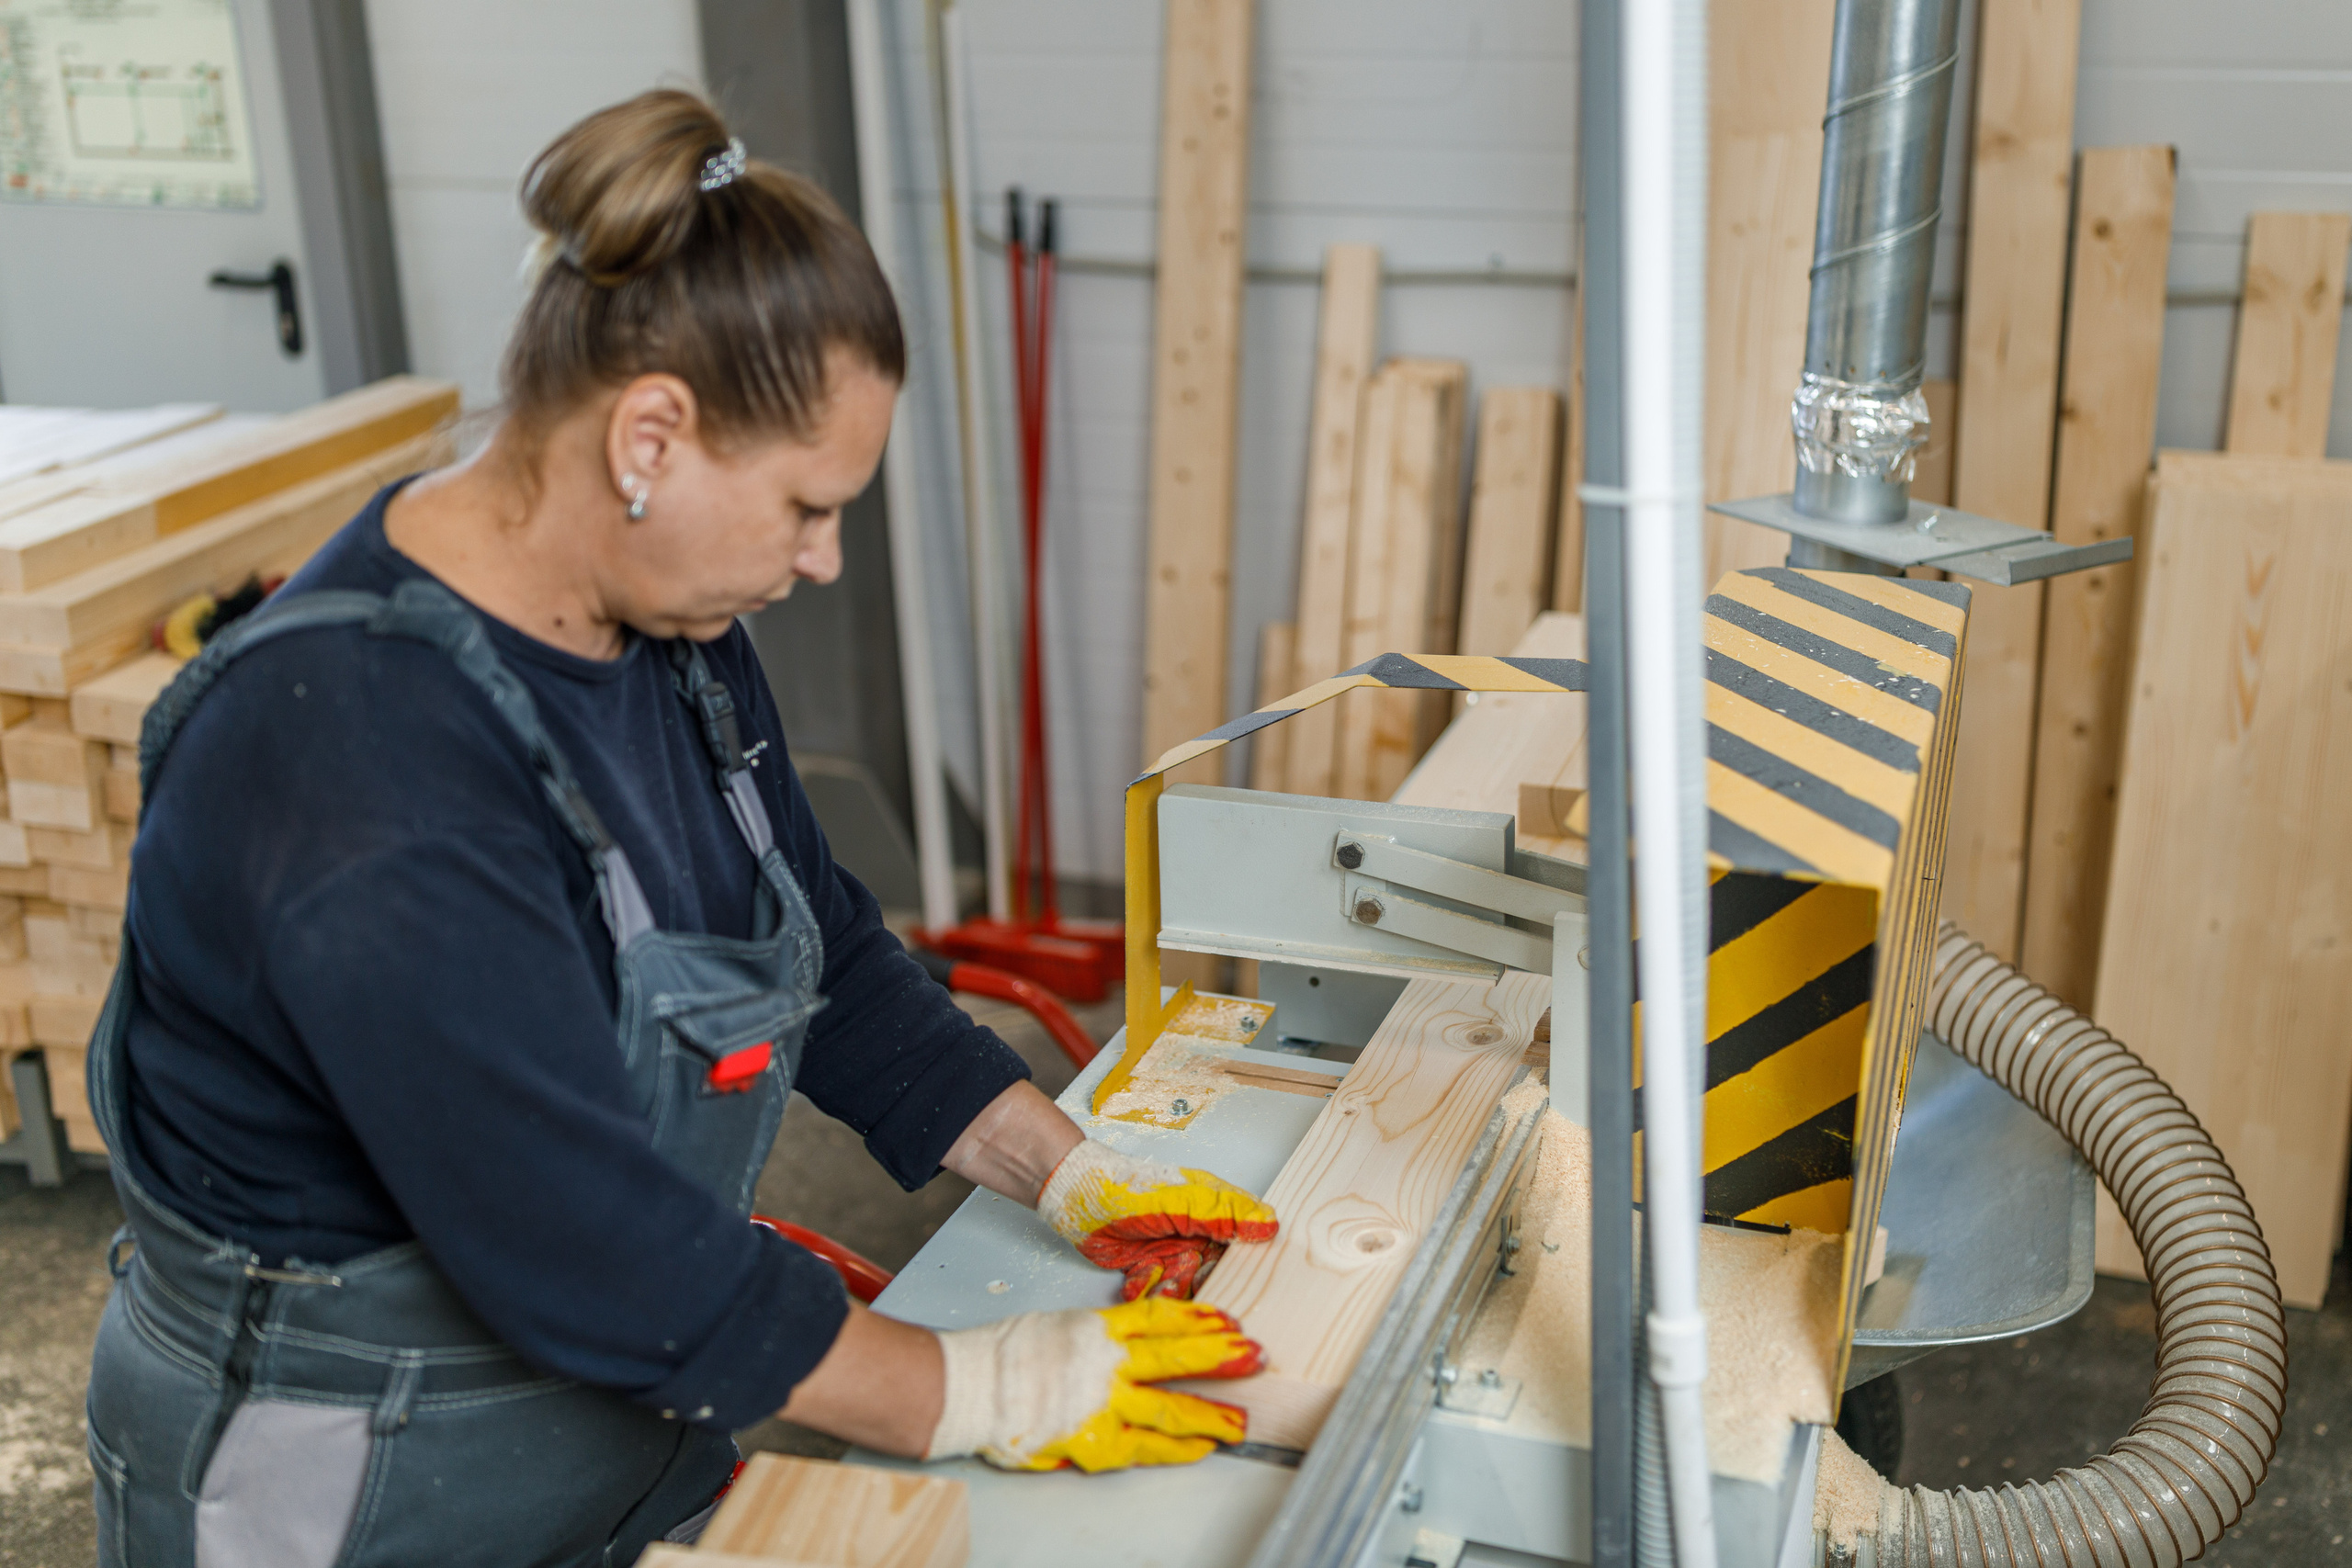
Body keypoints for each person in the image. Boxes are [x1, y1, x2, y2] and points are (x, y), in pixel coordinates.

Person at [84, 90, 1277, 1568]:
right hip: (355, 1483)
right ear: (650, 432)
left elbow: (813, 943)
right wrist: (979, 1385)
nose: (823, 558)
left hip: (624, 1418)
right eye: (803, 506)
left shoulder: (661, 626)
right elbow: (572, 1235)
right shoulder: (353, 754)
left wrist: (1063, 1162)